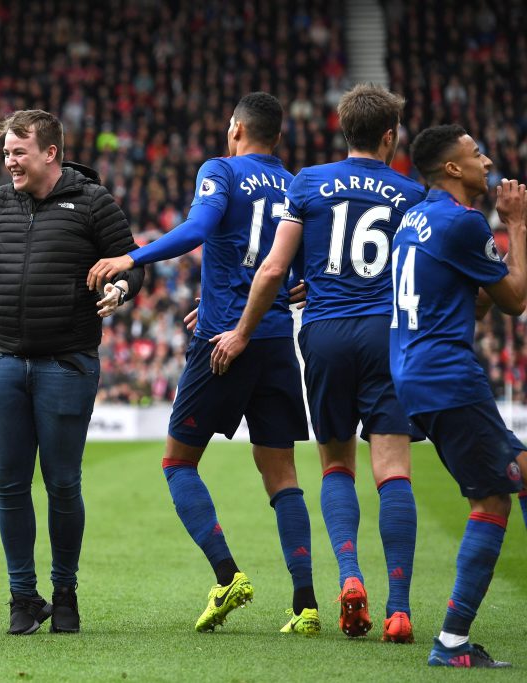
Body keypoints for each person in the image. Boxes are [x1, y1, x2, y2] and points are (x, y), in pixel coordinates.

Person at [89, 93, 316, 635]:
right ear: (278, 138)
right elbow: (302, 272)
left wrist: (132, 256)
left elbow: (197, 231)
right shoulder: (298, 185)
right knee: (282, 476)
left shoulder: (221, 170)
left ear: (235, 127)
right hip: (277, 339)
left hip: (223, 343)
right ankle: (305, 604)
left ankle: (227, 575)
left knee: (177, 463)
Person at [210, 84, 426, 643]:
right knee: (393, 470)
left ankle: (350, 578)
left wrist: (243, 329)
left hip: (325, 334)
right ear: (389, 135)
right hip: (386, 333)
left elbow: (273, 270)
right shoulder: (410, 192)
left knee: (335, 464)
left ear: (342, 129)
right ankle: (398, 608)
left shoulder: (308, 182)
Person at [0, 109, 144, 635]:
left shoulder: (93, 201)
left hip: (67, 364)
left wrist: (120, 287)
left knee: (61, 484)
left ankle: (65, 592)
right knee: (8, 486)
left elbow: (133, 261)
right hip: (5, 361)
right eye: (6, 151)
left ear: (49, 153)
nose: (9, 160)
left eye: (18, 151)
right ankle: (22, 598)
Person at [391, 125, 527, 667]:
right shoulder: (466, 222)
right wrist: (515, 223)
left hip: (416, 373)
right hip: (447, 373)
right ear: (452, 168)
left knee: (521, 468)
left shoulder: (418, 218)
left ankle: (452, 641)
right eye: (476, 154)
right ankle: (451, 643)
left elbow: (471, 303)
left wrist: (485, 278)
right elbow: (515, 300)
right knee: (492, 500)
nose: (487, 160)